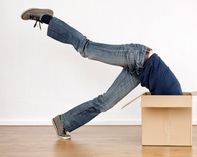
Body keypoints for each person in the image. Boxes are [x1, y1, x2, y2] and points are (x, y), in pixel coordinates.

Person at [21, 8, 183, 140]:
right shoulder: (175, 98)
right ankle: (47, 18)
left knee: (105, 103)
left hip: (139, 71)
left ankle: (63, 122)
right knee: (86, 49)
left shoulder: (173, 100)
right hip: (139, 56)